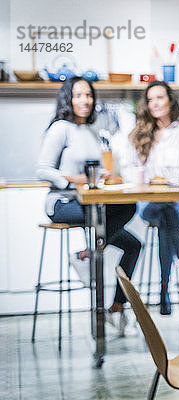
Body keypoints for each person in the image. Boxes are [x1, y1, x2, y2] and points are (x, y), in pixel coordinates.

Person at [37, 76, 141, 335]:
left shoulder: (91, 131)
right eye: (79, 95)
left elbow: (95, 168)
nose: (85, 100)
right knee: (120, 211)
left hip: (90, 204)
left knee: (133, 241)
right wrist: (74, 181)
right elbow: (43, 170)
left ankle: (116, 307)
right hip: (62, 203)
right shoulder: (60, 128)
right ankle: (93, 250)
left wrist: (103, 176)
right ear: (68, 99)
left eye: (89, 95)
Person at [119, 80, 179, 315]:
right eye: (150, 99)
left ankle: (164, 293)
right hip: (150, 205)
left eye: (159, 98)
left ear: (170, 101)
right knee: (165, 212)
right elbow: (128, 171)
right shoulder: (140, 134)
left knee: (170, 214)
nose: (154, 103)